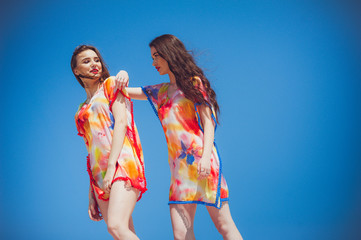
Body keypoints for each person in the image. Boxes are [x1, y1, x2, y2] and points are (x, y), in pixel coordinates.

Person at [115, 34, 243, 240]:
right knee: (181, 234)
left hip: (203, 161)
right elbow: (122, 91)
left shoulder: (193, 83)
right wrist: (121, 74)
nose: (153, 62)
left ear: (170, 54)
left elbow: (208, 122)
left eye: (157, 56)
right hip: (179, 171)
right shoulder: (160, 92)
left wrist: (205, 157)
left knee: (224, 225)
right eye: (152, 57)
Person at [71, 45, 147, 240]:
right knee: (123, 234)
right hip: (100, 175)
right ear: (76, 71)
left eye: (96, 59)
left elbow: (121, 123)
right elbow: (91, 150)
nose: (94, 64)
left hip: (122, 164)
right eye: (86, 61)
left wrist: (112, 167)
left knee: (115, 226)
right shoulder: (81, 110)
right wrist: (91, 194)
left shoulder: (110, 85)